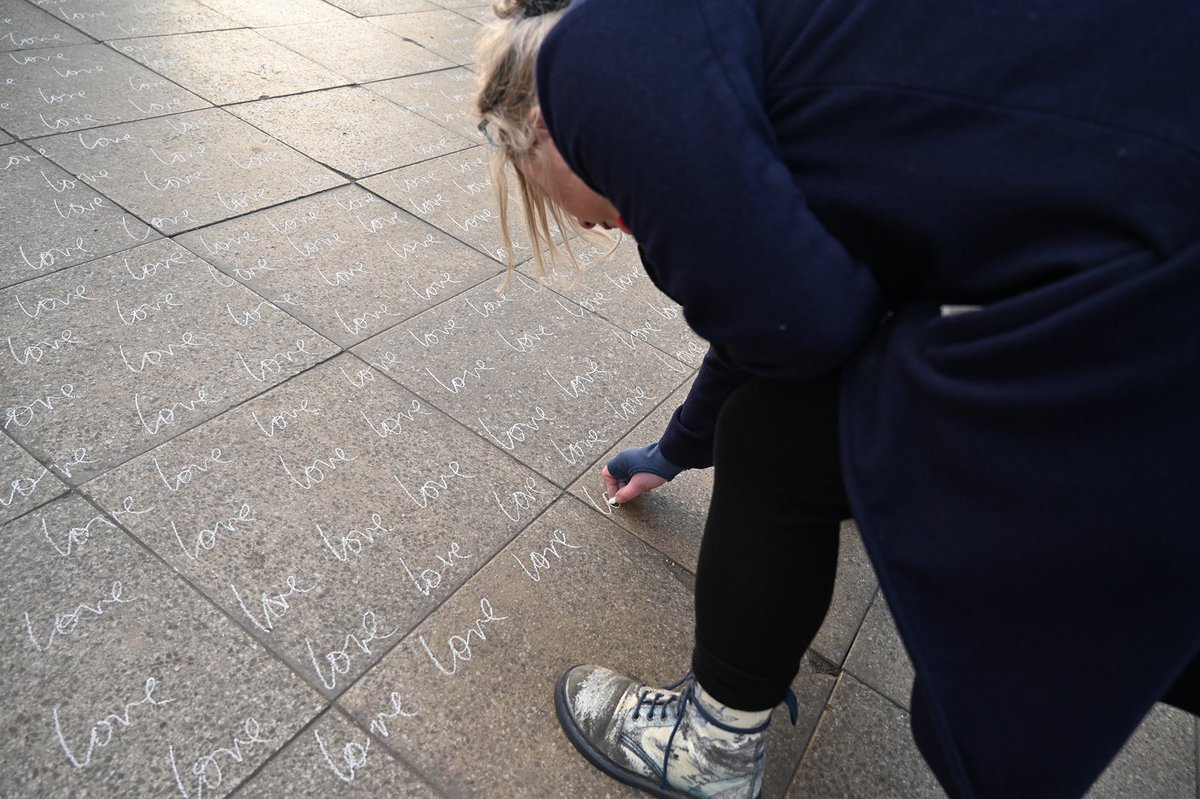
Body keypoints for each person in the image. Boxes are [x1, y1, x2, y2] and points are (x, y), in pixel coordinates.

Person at [475, 0, 1200, 797]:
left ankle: (708, 749)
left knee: (774, 438)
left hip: (1157, 298)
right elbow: (779, 304)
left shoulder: (597, 57)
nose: (602, 228)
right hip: (1151, 217)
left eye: (571, 214)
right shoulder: (747, 46)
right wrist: (678, 447)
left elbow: (802, 333)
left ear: (541, 125)